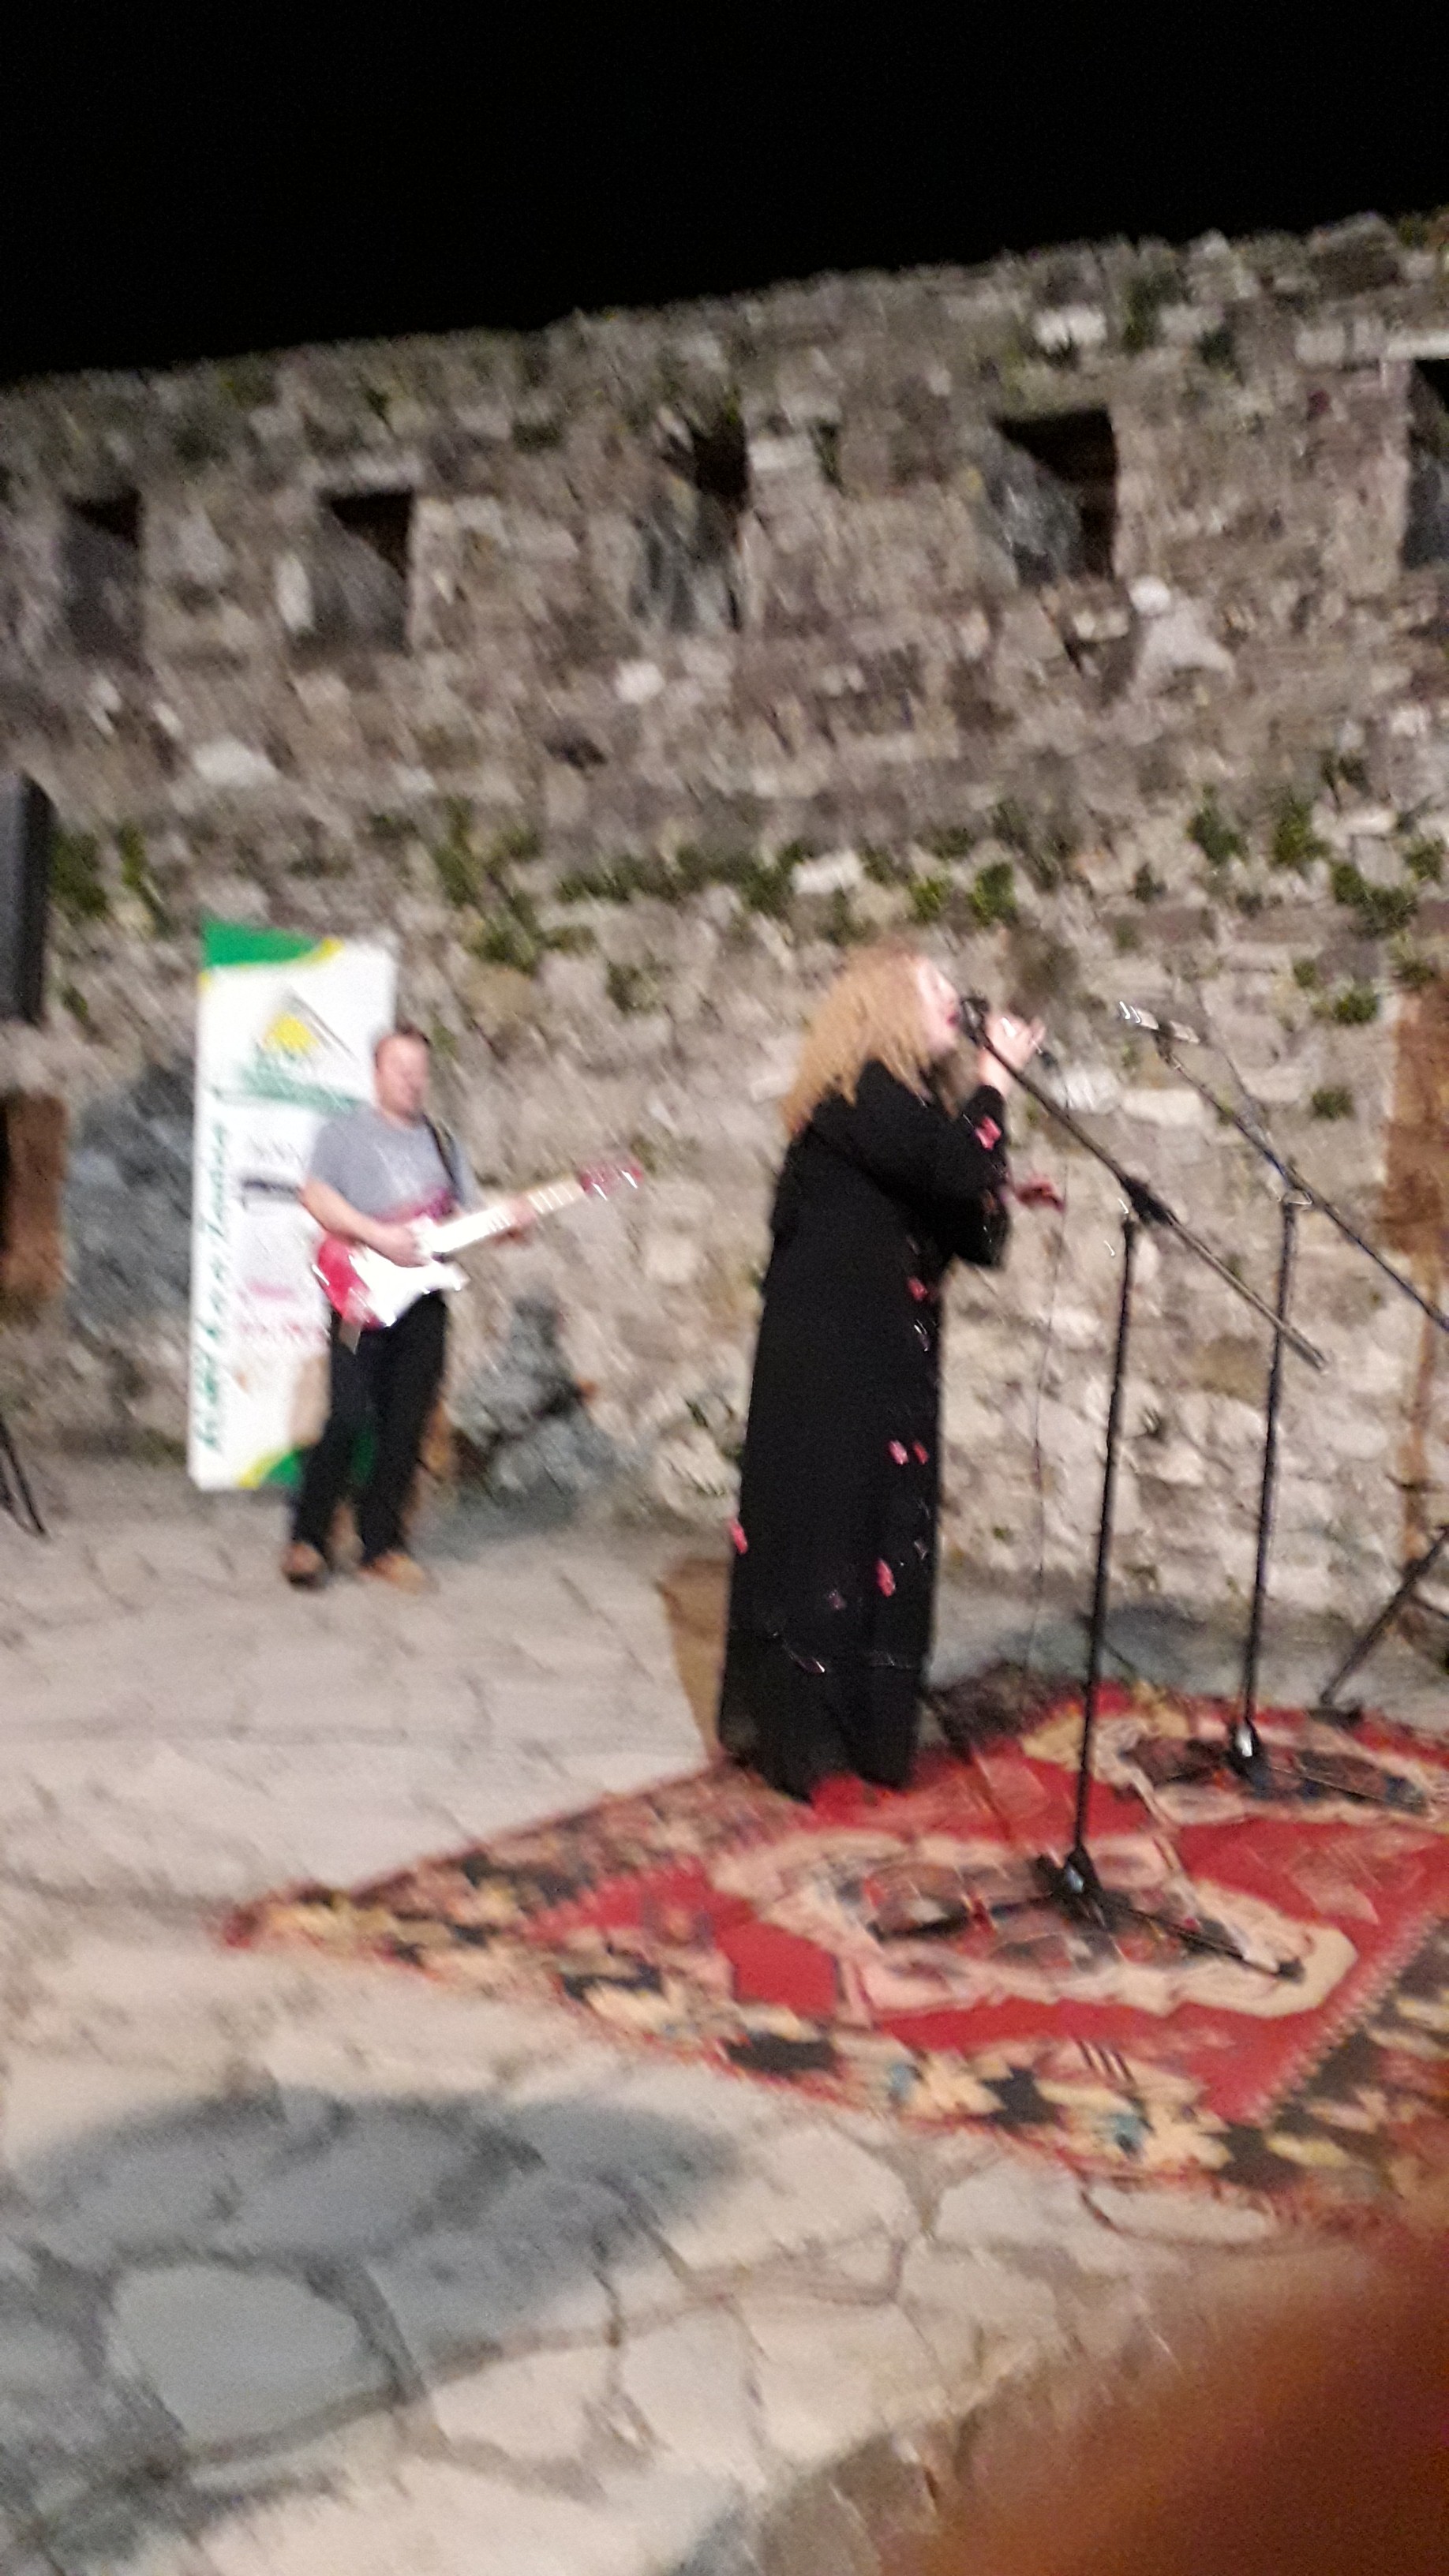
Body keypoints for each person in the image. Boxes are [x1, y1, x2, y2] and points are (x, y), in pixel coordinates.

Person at [717, 944, 1041, 1803]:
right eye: (934, 984)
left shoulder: (912, 1109)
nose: (954, 995)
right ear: (888, 1003)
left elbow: (964, 1215)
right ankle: (804, 1731)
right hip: (831, 1361)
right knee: (830, 1530)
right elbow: (955, 1167)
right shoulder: (861, 1091)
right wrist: (996, 1082)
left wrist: (999, 1195)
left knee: (881, 1532)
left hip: (889, 1356)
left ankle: (865, 1727)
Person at [280, 1024, 527, 1593]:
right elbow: (315, 1197)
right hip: (360, 1297)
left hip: (424, 1303)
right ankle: (308, 1538)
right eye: (401, 1069)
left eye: (420, 1070)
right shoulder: (343, 1135)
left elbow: (466, 1219)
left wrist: (507, 1226)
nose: (412, 1081)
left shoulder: (442, 1143)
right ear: (377, 1073)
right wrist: (378, 1235)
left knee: (405, 1425)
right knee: (347, 1416)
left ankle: (382, 1545)